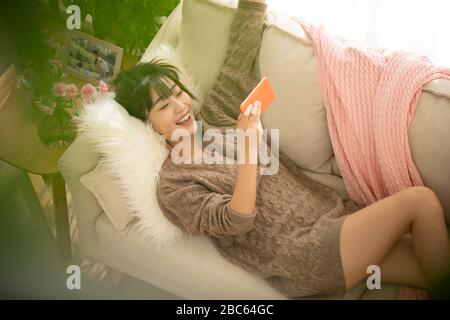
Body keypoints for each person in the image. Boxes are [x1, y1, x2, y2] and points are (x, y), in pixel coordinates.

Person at [114, 0, 450, 298]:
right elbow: (235, 222)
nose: (178, 106)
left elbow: (239, 54)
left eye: (177, 93)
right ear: (148, 125)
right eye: (162, 105)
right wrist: (249, 147)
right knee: (420, 201)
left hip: (331, 214)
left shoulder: (214, 119)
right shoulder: (173, 184)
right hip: (300, 254)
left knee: (428, 267)